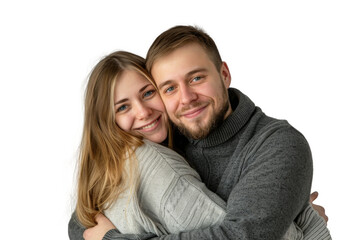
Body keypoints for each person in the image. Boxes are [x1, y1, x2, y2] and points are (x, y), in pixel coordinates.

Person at [74, 26, 332, 240]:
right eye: (169, 88)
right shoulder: (165, 140)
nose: (186, 98)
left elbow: (239, 236)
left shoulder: (277, 144)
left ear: (224, 74)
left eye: (196, 78)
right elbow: (81, 222)